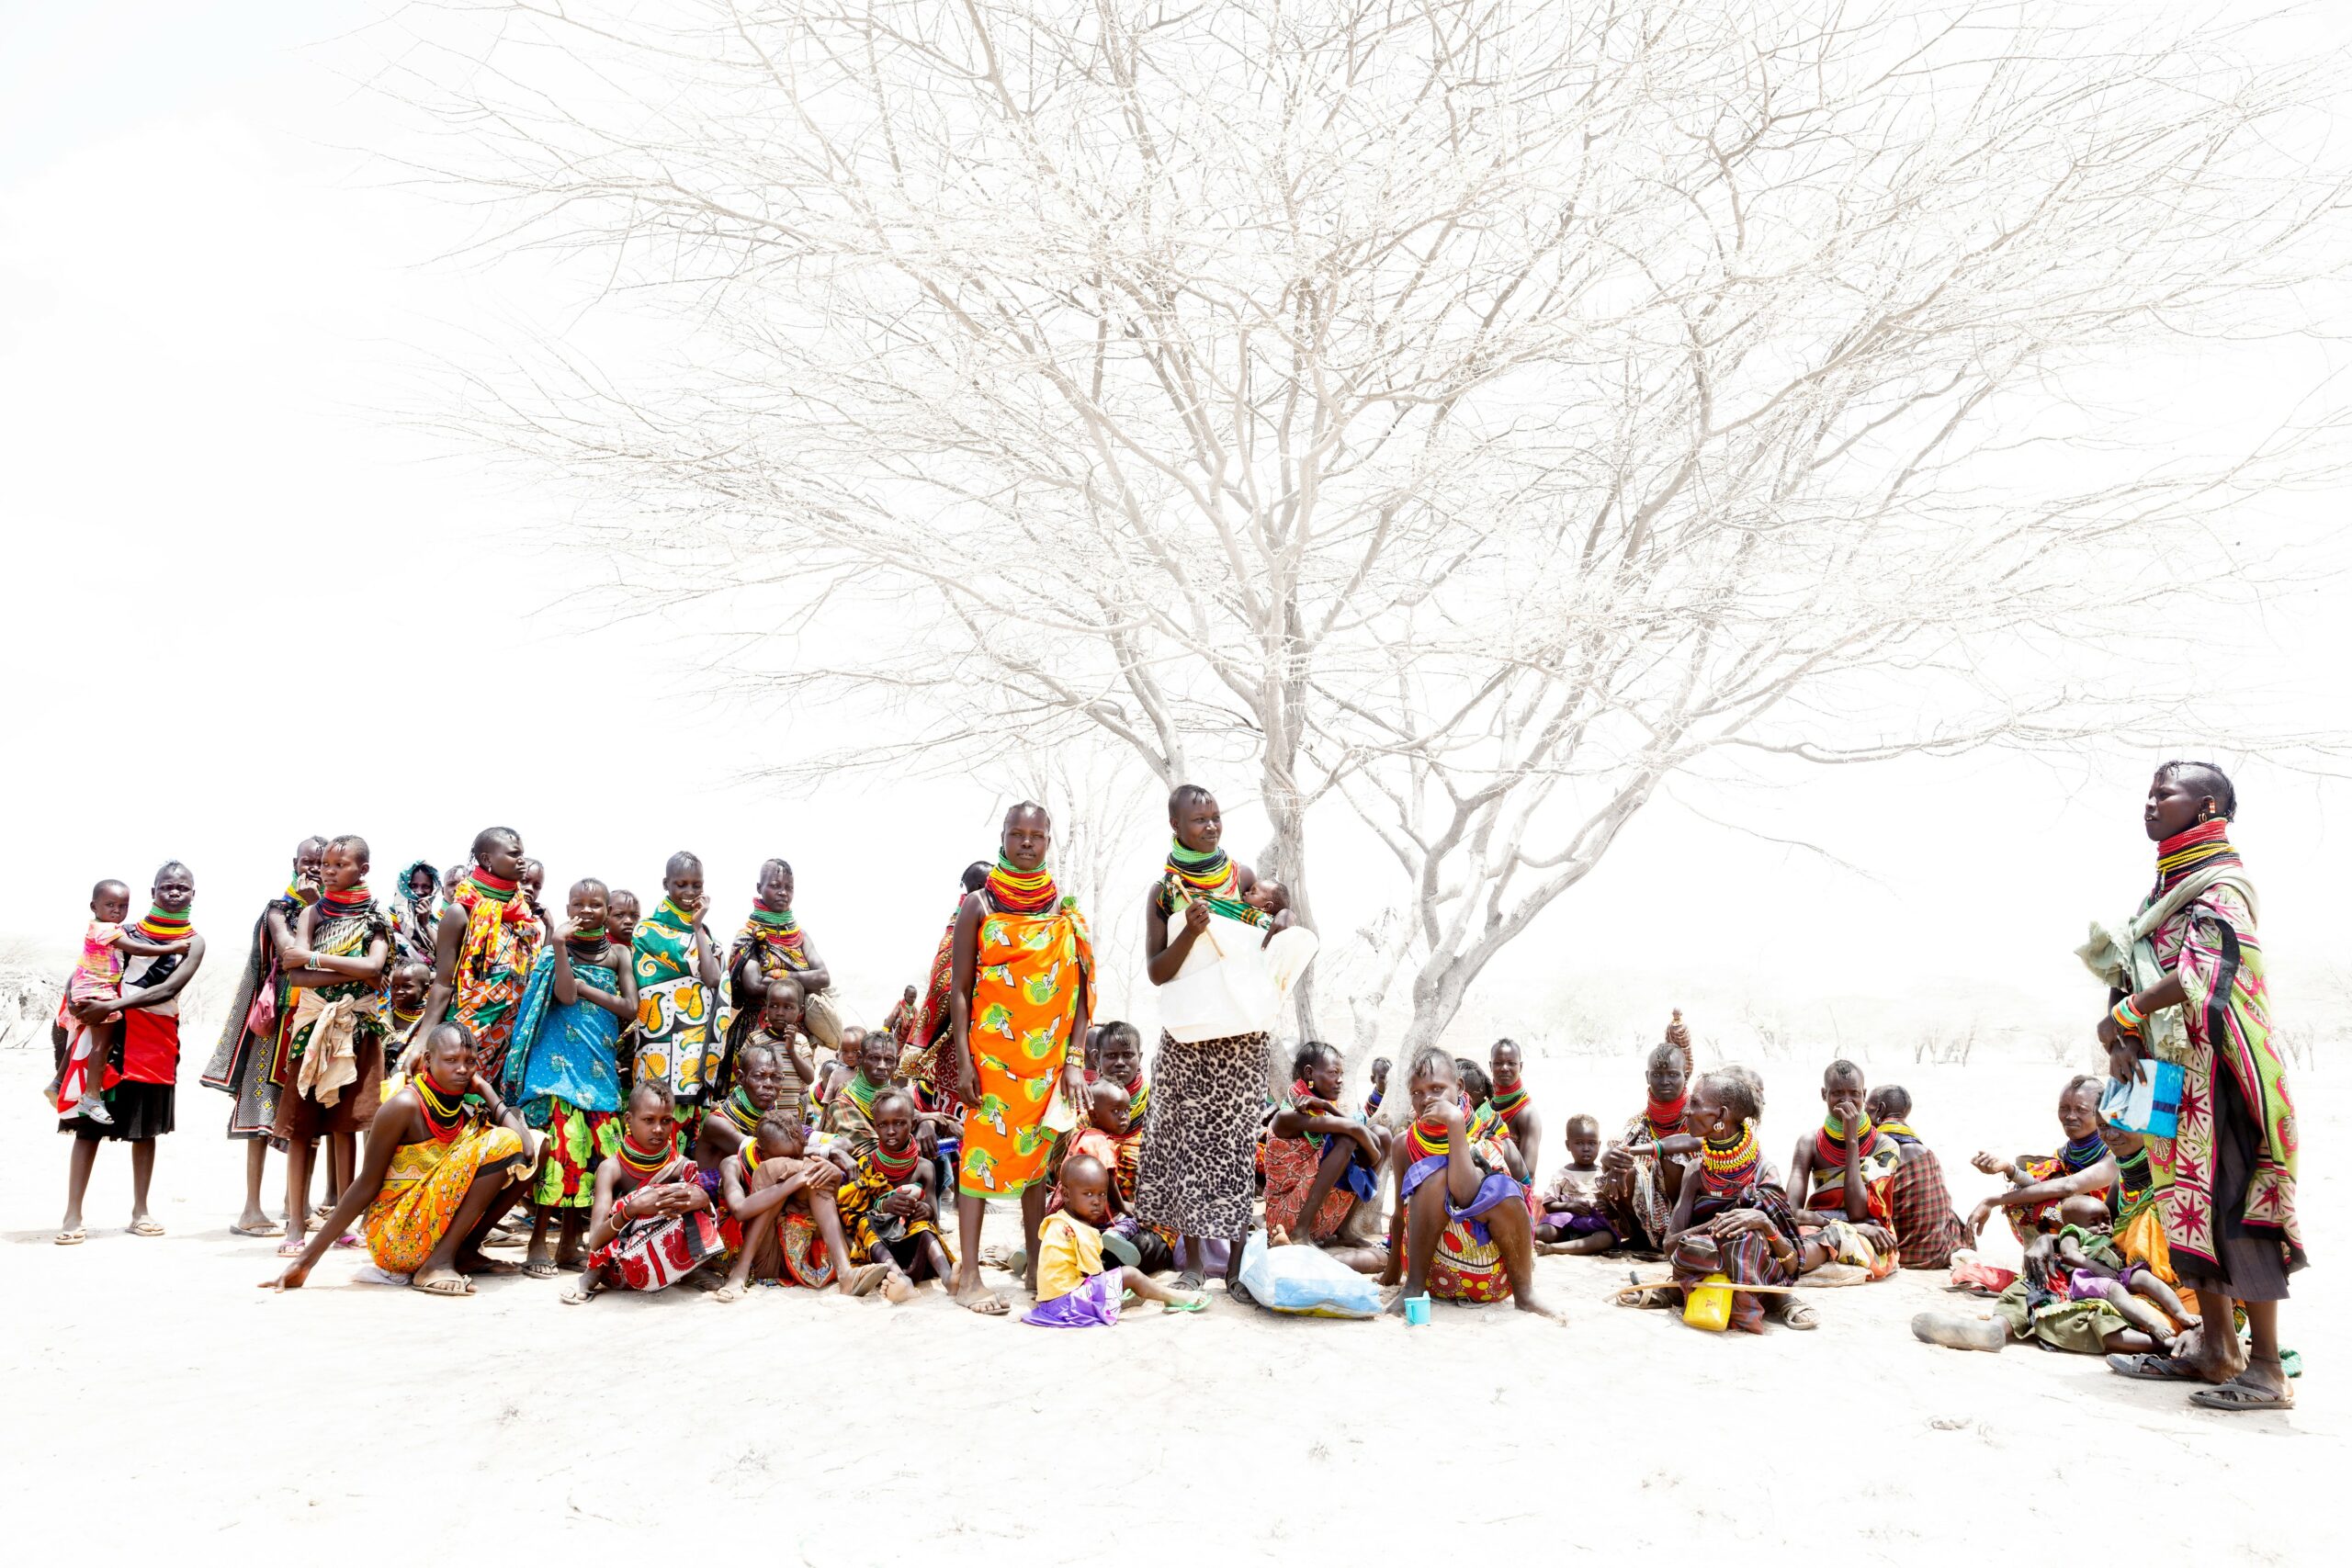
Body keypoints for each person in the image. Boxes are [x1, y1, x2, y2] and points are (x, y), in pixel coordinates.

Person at [2091, 761, 2301, 1410]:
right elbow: (2135, 966)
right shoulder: (2166, 887)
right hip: (2173, 1079)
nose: (2149, 803)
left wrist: (2125, 1014)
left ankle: (2266, 1367)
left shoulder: (2223, 885)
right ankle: (2216, 1348)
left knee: (2238, 1206)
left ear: (2206, 804)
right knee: (2187, 1207)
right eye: (2147, 791)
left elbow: (2204, 969)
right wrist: (2123, 1033)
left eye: (2164, 793)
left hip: (2229, 1073)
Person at [1135, 785, 1284, 1297]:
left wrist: (1277, 927)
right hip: (1188, 1035)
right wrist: (1189, 934)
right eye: (1200, 820)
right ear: (1175, 826)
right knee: (1186, 1147)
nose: (1212, 827)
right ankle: (1194, 1264)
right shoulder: (1164, 892)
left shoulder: (1241, 877)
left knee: (1237, 1150)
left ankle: (1238, 1269)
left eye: (1217, 817)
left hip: (1241, 1036)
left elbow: (1253, 946)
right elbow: (1157, 972)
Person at [946, 804, 1094, 1314]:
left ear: (1049, 841)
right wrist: (964, 1060)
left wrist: (1074, 1060)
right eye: (1017, 834)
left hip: (1047, 1063)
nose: (1027, 843)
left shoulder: (1062, 911)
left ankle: (1036, 1265)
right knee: (977, 1165)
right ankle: (969, 1278)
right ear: (1002, 838)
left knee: (1036, 1164)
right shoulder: (980, 906)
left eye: (1037, 835)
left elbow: (1079, 993)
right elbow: (960, 990)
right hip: (990, 1061)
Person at [265, 1021, 533, 1298]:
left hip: (432, 1232)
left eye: (470, 1062)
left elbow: (527, 1150)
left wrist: (486, 1090)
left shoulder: (461, 1107)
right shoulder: (404, 1106)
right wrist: (305, 1260)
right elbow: (365, 1185)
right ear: (428, 1060)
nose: (462, 1070)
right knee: (503, 1140)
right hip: (397, 1239)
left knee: (538, 1141)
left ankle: (461, 1253)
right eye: (451, 1060)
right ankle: (437, 1264)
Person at [56, 863, 206, 1244]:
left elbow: (168, 989)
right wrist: (82, 1001)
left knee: (146, 1129)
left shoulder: (193, 941)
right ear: (152, 891)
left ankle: (141, 1211)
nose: (175, 893)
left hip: (155, 1039)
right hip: (110, 1035)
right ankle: (73, 1215)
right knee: (88, 1127)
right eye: (167, 887)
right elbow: (88, 964)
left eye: (183, 888)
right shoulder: (126, 932)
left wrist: (114, 1003)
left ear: (194, 894)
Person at [273, 835, 395, 1259]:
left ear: (363, 870)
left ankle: (343, 1222)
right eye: (325, 863)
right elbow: (298, 977)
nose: (327, 870)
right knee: (302, 1128)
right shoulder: (311, 912)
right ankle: (294, 1224)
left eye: (339, 864)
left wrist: (317, 960)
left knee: (347, 1127)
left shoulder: (377, 917)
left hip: (358, 1030)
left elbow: (376, 967)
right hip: (311, 1032)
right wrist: (352, 971)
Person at [508, 879, 638, 1276]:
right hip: (558, 1071)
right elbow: (564, 996)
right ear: (567, 908)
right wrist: (561, 947)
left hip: (597, 1068)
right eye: (578, 904)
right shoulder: (553, 952)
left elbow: (630, 1007)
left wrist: (586, 988)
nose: (587, 911)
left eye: (595, 904)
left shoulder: (617, 954)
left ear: (605, 908)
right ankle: (537, 1244)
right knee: (560, 1157)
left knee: (592, 1159)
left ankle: (569, 1245)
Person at [202, 835, 326, 1237]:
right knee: (260, 1114)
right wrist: (311, 907)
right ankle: (251, 1209)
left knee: (309, 1114)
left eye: (321, 863)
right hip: (274, 1026)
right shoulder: (280, 909)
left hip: (314, 1025)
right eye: (307, 861)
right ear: (294, 862)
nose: (313, 868)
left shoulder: (335, 912)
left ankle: (298, 1204)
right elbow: (291, 952)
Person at [1378, 1047, 1553, 1316]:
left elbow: (1466, 1193)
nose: (1427, 1099)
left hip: (1492, 1274)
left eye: (1437, 1089)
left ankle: (1526, 1294)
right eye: (1417, 1093)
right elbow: (1400, 1215)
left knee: (1503, 1189)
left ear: (1459, 1087)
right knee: (1433, 1175)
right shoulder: (1405, 1143)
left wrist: (1455, 1125)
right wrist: (1393, 1276)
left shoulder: (1488, 1131)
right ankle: (1411, 1289)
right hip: (1431, 1275)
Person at [1662, 1068, 1808, 1334]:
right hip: (1709, 1259)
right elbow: (1670, 1246)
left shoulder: (1764, 1171)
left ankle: (1775, 1298)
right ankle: (1769, 1297)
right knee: (1696, 1246)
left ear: (1721, 1115)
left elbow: (1791, 1263)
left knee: (1746, 1241)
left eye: (1694, 1104)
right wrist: (1715, 1225)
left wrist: (1764, 1223)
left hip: (1752, 1266)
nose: (1686, 1111)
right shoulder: (1696, 1170)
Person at [565, 1082, 724, 1301]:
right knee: (637, 1200)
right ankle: (590, 1276)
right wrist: (632, 1209)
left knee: (695, 1197)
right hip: (620, 1268)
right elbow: (594, 1241)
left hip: (668, 1263)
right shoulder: (611, 1168)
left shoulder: (681, 1165)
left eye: (666, 1121)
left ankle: (690, 1271)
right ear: (629, 1120)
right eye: (649, 1120)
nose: (658, 1129)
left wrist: (704, 1201)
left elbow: (702, 1217)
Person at [414, 828, 546, 1093]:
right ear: (487, 859)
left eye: (522, 854)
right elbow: (442, 984)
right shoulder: (459, 913)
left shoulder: (524, 917)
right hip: (463, 1037)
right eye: (514, 854)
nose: (521, 860)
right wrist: (421, 1042)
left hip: (509, 1037)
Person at [52, 878, 191, 1127]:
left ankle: (59, 1081)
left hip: (94, 990)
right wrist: (172, 948)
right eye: (110, 905)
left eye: (123, 906)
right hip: (98, 992)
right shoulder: (107, 930)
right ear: (94, 906)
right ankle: (91, 1097)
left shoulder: (105, 927)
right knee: (101, 1046)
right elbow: (136, 949)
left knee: (89, 1038)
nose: (117, 911)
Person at [1023, 1156, 1206, 1327]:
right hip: (1067, 1306)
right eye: (1088, 1194)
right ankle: (1172, 1296)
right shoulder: (1080, 1230)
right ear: (1066, 1194)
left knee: (1119, 1277)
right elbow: (1095, 1274)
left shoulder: (1059, 1221)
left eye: (1102, 1194)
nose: (1097, 1201)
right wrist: (1117, 1282)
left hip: (1049, 1303)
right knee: (1130, 1275)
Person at [1263, 1040, 1389, 1273]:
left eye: (1341, 1073)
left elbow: (1369, 1139)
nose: (1339, 1080)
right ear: (1310, 1073)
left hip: (1321, 1215)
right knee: (1346, 1138)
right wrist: (1372, 1154)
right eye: (1333, 1073)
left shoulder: (1319, 1108)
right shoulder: (1288, 1115)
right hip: (1285, 1216)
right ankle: (1300, 1233)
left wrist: (1327, 1106)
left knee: (1382, 1133)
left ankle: (1344, 1229)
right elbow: (1355, 1131)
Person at [707, 1111, 859, 1300]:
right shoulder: (732, 1164)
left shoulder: (797, 1159)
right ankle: (740, 1272)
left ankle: (845, 1273)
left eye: (797, 1157)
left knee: (815, 1173)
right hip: (759, 1256)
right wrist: (795, 1181)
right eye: (786, 1158)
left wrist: (832, 1177)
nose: (792, 1162)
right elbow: (739, 1210)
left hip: (801, 1253)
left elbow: (825, 1196)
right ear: (762, 1152)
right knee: (772, 1170)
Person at [826, 1088, 955, 1303]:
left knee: (922, 1226)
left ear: (912, 1124)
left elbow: (934, 1219)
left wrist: (926, 1210)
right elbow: (852, 1219)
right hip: (880, 1257)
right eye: (883, 1125)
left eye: (899, 1123)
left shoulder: (924, 1167)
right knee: (866, 1226)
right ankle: (901, 1281)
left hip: (916, 1252)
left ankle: (948, 1277)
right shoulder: (867, 1164)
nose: (891, 1131)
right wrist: (883, 1207)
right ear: (874, 1127)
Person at [723, 858, 849, 1076]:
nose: (783, 892)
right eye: (775, 886)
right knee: (756, 1089)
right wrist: (802, 980)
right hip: (757, 1030)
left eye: (788, 887)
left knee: (792, 1091)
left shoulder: (799, 936)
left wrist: (782, 974)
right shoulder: (748, 936)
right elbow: (752, 986)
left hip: (797, 1034)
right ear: (759, 888)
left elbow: (823, 977)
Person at [631, 851, 725, 1131]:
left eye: (696, 885)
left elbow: (712, 978)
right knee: (654, 1113)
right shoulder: (647, 931)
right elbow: (696, 966)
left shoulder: (704, 932)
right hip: (656, 1040)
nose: (689, 891)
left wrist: (697, 927)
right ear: (665, 884)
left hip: (693, 1045)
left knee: (689, 1118)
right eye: (680, 884)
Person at [1966, 1077, 2120, 1247]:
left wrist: (1994, 1201)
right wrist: (2009, 1170)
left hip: (2110, 1231)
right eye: (2064, 1108)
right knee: (2024, 1198)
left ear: (2101, 1112)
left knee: (2046, 1206)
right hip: (2072, 1232)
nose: (2070, 1116)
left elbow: (2068, 1187)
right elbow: (2043, 1188)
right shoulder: (2063, 1154)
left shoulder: (2115, 1153)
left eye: (2081, 1110)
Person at [1783, 1058, 1900, 1278]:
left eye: (1854, 1093)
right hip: (1821, 1225)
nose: (1847, 1101)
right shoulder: (1809, 1143)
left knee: (1836, 1239)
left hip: (1870, 1232)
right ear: (1823, 1094)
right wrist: (1838, 1224)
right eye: (1837, 1093)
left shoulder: (1885, 1146)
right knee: (1785, 1236)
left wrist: (1852, 1141)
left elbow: (1858, 1212)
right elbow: (1790, 1212)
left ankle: (1796, 1261)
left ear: (1864, 1094)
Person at [1596, 1015, 1698, 1252]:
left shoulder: (1698, 1117)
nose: (1664, 1081)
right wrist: (1610, 1160)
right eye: (1657, 1074)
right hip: (1641, 1215)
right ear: (1647, 1077)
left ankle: (1674, 1237)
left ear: (1686, 1075)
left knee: (1674, 1163)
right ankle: (1642, 1237)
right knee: (1621, 1165)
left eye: (1673, 1074)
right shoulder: (1638, 1123)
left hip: (1691, 1213)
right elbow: (1618, 1154)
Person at [1865, 1084, 1970, 1269]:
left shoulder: (1875, 1150)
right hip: (1939, 1253)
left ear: (1880, 1109)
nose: (1864, 1114)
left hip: (1898, 1254)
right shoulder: (1927, 1153)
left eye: (1868, 1108)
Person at [1533, 1114, 1617, 1256]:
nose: (1586, 1148)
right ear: (1568, 1145)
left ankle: (1553, 1248)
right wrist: (1570, 1206)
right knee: (1543, 1232)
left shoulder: (1604, 1175)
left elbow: (1616, 1210)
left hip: (1594, 1224)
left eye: (1592, 1143)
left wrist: (1607, 1208)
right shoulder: (1562, 1174)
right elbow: (1548, 1205)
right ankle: (1564, 1243)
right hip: (1565, 1223)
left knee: (1607, 1238)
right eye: (1579, 1143)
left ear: (1599, 1144)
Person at [820, 1027, 902, 1162]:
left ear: (897, 1063)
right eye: (874, 1058)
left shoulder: (897, 1100)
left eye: (888, 1060)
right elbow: (870, 1154)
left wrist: (926, 1120)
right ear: (860, 1059)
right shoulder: (842, 1105)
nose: (882, 1066)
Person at [1487, 1037, 1544, 1179]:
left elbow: (1528, 1172)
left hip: (1513, 1193)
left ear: (1521, 1066)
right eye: (1498, 1063)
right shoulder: (1485, 1108)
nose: (1504, 1068)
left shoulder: (1527, 1114)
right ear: (1490, 1066)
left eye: (1511, 1063)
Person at [390, 860, 441, 967]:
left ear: (433, 889)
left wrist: (426, 925)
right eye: (413, 886)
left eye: (426, 886)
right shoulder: (389, 918)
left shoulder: (436, 923)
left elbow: (444, 957)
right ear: (403, 887)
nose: (419, 892)